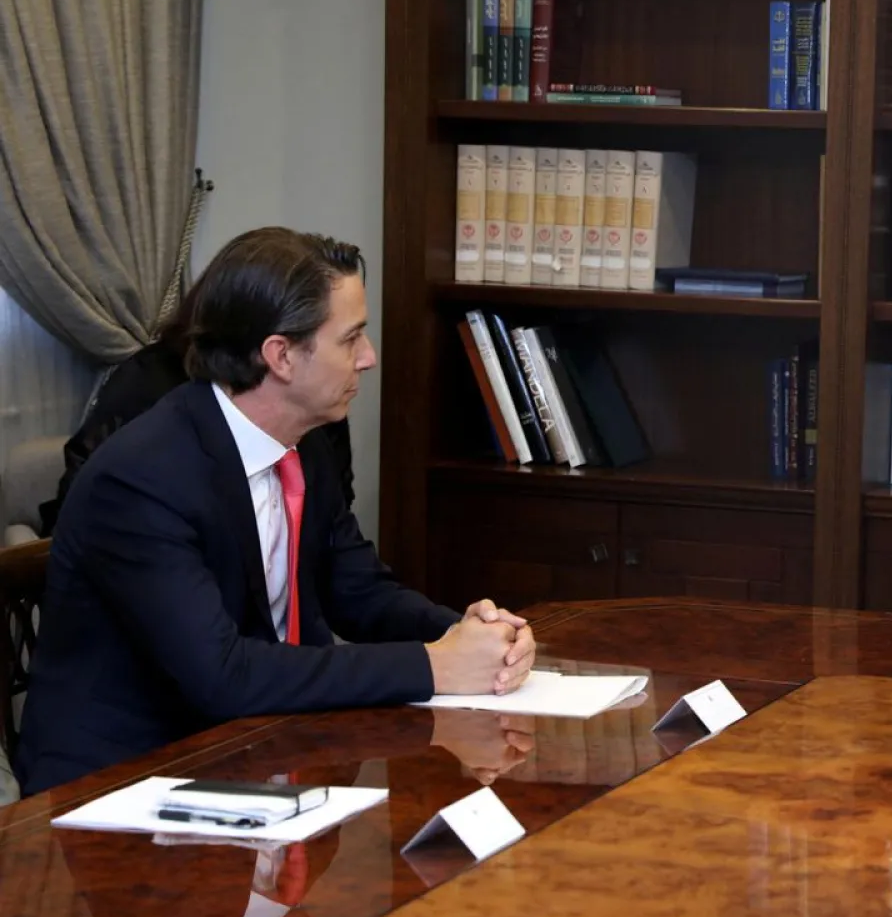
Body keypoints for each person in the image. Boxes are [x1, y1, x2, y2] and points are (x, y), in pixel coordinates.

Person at [15, 226, 536, 795]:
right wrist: (435, 665)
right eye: (351, 339)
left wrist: (471, 636)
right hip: (127, 783)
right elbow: (222, 675)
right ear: (281, 355)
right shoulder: (142, 480)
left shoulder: (305, 442)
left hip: (260, 750)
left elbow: (358, 591)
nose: (368, 358)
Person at [39, 293, 355, 536]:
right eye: (349, 340)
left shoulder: (314, 414)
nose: (366, 358)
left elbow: (335, 527)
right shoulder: (149, 386)